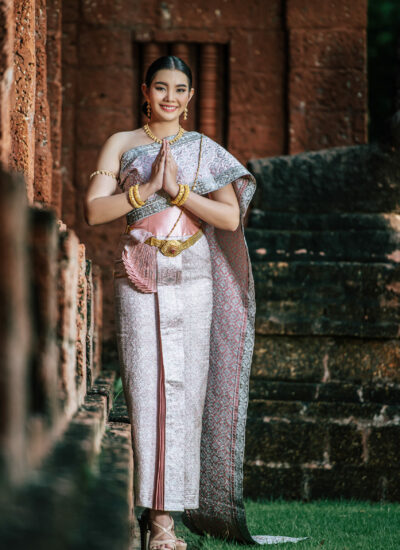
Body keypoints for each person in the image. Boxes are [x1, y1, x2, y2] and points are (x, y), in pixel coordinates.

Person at [85, 55, 272, 549]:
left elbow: (230, 219)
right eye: (161, 87)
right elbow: (92, 210)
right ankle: (151, 513)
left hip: (195, 280)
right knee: (147, 391)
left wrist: (179, 191)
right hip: (139, 274)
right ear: (145, 91)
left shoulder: (204, 150)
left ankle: (165, 520)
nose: (170, 97)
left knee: (184, 394)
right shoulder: (121, 144)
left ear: (190, 98)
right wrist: (146, 189)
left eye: (180, 89)